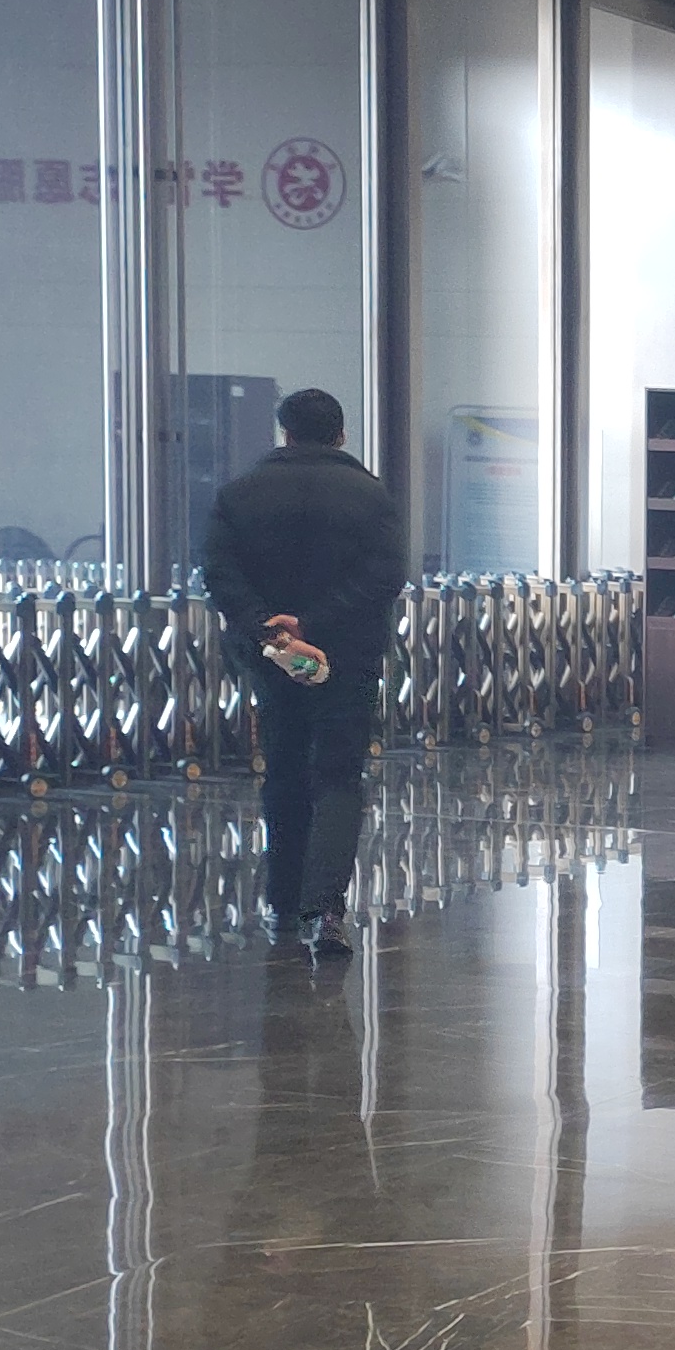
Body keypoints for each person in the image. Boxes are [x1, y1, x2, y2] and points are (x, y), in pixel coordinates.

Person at [198, 386, 407, 959]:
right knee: (338, 777)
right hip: (348, 657)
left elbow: (218, 572)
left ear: (285, 433)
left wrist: (271, 629)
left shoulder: (238, 495)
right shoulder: (371, 497)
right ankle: (326, 910)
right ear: (341, 435)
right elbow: (385, 576)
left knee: (284, 768)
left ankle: (284, 900)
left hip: (272, 658)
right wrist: (314, 624)